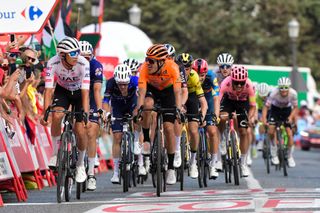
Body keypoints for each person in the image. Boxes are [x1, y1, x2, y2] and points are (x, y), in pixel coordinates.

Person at [40, 37, 90, 184]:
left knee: (80, 129)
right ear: (62, 55)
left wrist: (85, 115)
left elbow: (86, 93)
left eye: (77, 52)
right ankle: (55, 154)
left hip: (80, 92)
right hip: (63, 91)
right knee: (56, 116)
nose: (76, 55)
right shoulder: (53, 62)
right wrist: (46, 113)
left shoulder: (83, 63)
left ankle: (80, 164)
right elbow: (48, 91)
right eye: (73, 53)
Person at [134, 44, 181, 185]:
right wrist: (139, 111)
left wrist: (178, 109)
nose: (148, 63)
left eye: (151, 61)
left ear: (161, 61)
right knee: (147, 106)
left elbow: (177, 92)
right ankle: (147, 140)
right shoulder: (144, 68)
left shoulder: (172, 67)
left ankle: (171, 168)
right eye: (147, 59)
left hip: (168, 93)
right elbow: (141, 93)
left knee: (168, 128)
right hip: (152, 90)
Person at [103, 64, 141, 183]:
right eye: (120, 84)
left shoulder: (135, 81)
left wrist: (138, 111)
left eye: (125, 84)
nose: (123, 87)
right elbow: (105, 101)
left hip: (132, 104)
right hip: (118, 107)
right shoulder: (110, 83)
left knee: (138, 117)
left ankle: (135, 141)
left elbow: (141, 98)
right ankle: (116, 172)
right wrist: (107, 113)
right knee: (117, 137)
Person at [219, 65, 256, 177]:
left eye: (242, 83)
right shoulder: (225, 83)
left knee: (244, 131)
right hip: (228, 101)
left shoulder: (249, 85)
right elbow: (218, 101)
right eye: (236, 83)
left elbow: (253, 106)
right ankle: (222, 138)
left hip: (243, 103)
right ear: (232, 80)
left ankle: (243, 163)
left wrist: (250, 118)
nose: (239, 85)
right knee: (222, 117)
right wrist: (218, 115)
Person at [176, 53, 208, 179]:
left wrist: (202, 116)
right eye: (182, 67)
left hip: (192, 97)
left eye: (188, 68)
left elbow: (203, 102)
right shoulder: (175, 74)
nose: (185, 70)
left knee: (194, 130)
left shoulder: (194, 77)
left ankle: (193, 161)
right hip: (178, 95)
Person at [79, 40, 103, 190]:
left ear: (92, 57)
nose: (85, 61)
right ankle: (78, 161)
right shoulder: (73, 65)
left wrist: (99, 109)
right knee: (77, 129)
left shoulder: (96, 66)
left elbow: (96, 90)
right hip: (77, 95)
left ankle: (91, 174)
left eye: (87, 58)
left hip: (91, 98)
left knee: (91, 132)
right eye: (82, 57)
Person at [192, 58, 220, 179]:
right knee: (192, 127)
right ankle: (191, 157)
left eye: (202, 75)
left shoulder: (211, 76)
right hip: (194, 98)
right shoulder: (190, 76)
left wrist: (216, 115)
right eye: (198, 75)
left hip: (208, 98)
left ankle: (213, 164)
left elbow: (216, 97)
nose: (200, 77)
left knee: (213, 131)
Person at [262, 77, 298, 168]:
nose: (283, 90)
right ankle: (274, 154)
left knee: (289, 134)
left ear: (289, 87)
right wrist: (264, 120)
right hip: (275, 110)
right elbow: (266, 107)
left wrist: (291, 117)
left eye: (286, 88)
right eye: (281, 88)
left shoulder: (293, 93)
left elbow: (295, 108)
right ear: (278, 88)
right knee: (271, 130)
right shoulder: (274, 93)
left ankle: (290, 156)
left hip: (287, 111)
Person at [165, 44, 188, 169]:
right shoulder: (158, 66)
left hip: (175, 94)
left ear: (174, 57)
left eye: (170, 57)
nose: (167, 60)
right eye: (165, 57)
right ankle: (151, 146)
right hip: (162, 94)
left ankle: (177, 148)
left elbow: (184, 90)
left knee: (178, 115)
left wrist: (182, 105)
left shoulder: (179, 67)